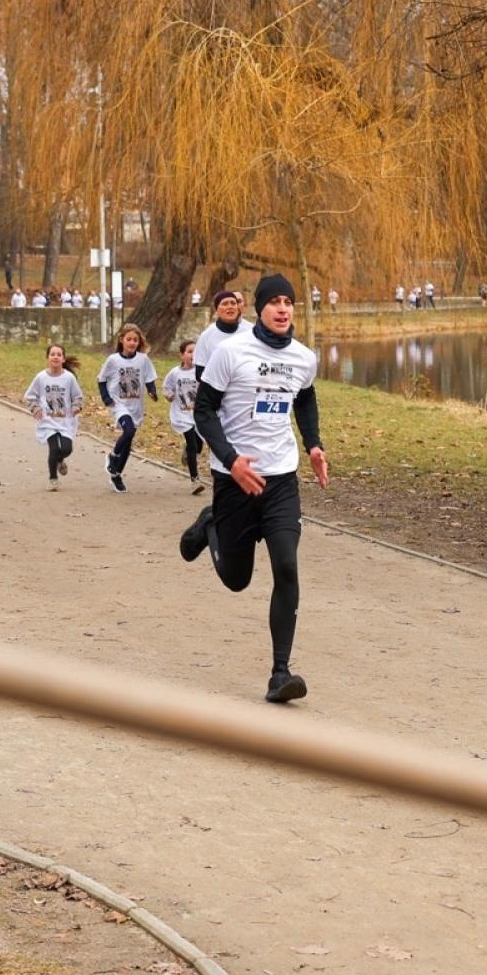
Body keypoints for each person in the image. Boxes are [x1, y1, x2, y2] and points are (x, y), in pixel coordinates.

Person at [178, 273, 327, 704]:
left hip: (280, 478)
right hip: (234, 479)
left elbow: (304, 398)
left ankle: (280, 674)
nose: (283, 309)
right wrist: (231, 461)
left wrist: (314, 444)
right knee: (237, 579)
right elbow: (204, 412)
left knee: (286, 566)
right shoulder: (231, 352)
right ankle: (210, 525)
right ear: (259, 308)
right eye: (275, 302)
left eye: (289, 302)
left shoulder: (303, 357)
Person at [96, 323, 158, 494]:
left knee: (128, 442)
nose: (132, 343)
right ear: (122, 340)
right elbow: (101, 380)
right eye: (129, 339)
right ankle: (112, 456)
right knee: (128, 430)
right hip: (118, 404)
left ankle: (116, 475)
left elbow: (149, 379)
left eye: (135, 340)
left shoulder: (143, 359)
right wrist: (106, 398)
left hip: (136, 405)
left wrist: (152, 391)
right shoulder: (113, 360)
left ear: (139, 343)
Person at [23, 344, 84, 491]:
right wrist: (35, 408)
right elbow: (30, 396)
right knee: (54, 448)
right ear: (47, 358)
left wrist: (76, 407)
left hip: (66, 420)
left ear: (63, 359)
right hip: (47, 421)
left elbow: (77, 396)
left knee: (67, 449)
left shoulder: (69, 378)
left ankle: (59, 461)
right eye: (52, 354)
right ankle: (53, 479)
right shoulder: (41, 377)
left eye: (58, 354)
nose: (55, 357)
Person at [163, 340, 206, 495]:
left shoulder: (202, 372)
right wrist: (169, 395)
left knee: (199, 445)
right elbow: (166, 388)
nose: (193, 355)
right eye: (189, 351)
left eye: (196, 351)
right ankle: (195, 481)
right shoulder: (175, 373)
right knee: (193, 445)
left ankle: (187, 452)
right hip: (181, 415)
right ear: (182, 355)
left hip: (198, 414)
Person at [194, 289, 252, 381]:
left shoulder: (251, 332)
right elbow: (199, 373)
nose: (230, 307)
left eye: (233, 303)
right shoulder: (207, 336)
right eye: (225, 304)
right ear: (217, 309)